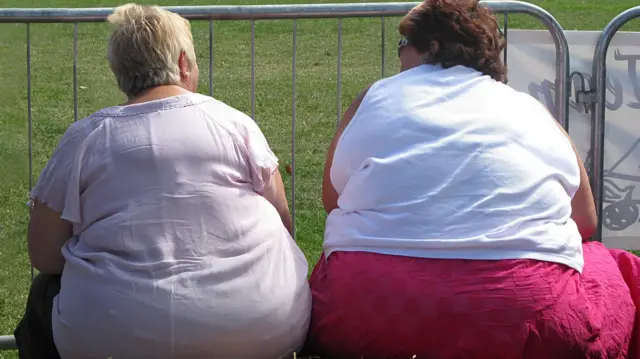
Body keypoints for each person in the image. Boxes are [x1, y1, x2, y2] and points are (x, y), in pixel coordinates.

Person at [306, 0, 640, 358]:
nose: (399, 56)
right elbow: (585, 220)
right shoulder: (529, 110)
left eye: (403, 45)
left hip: (367, 308)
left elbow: (333, 201)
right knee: (618, 270)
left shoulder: (372, 98)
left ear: (430, 47)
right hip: (528, 311)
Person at [15, 4, 311, 359]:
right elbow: (284, 224)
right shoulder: (236, 125)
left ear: (120, 71)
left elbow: (45, 254)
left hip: (111, 334)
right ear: (184, 63)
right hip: (262, 325)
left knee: (44, 295)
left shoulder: (85, 138)